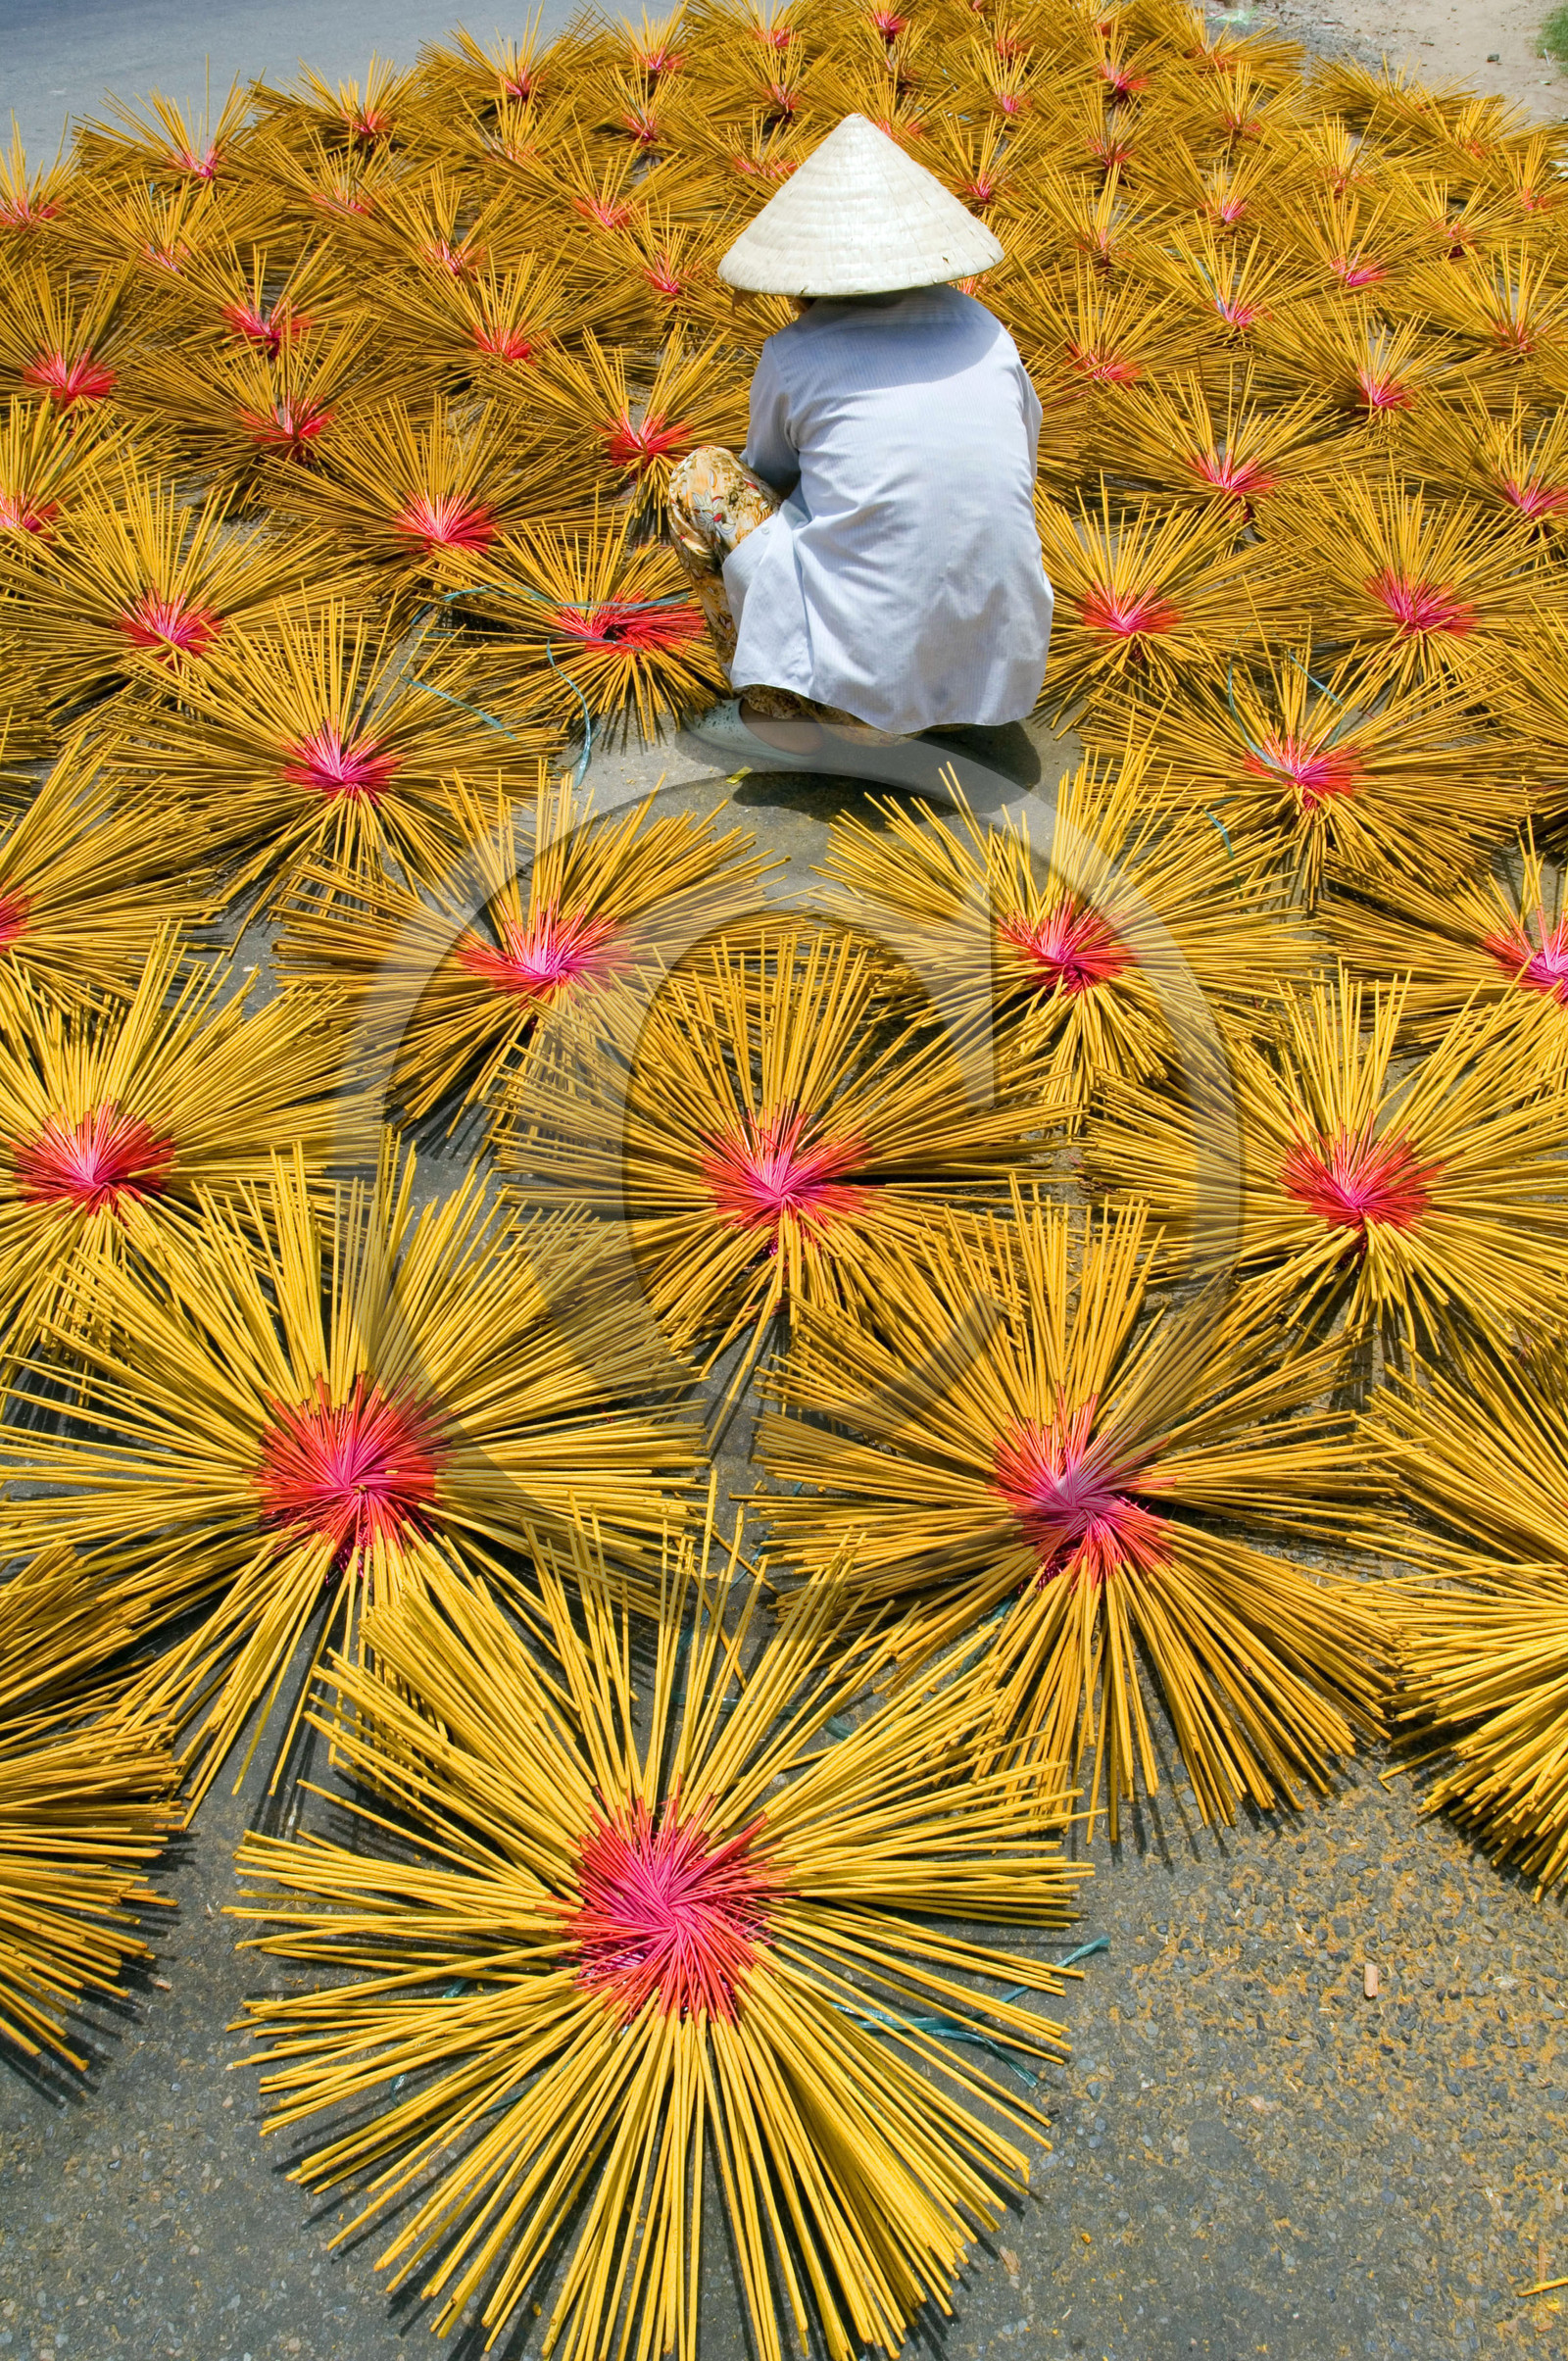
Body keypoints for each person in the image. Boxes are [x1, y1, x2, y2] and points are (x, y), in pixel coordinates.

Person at [668, 112, 1054, 766]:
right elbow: (1022, 459)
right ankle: (929, 685)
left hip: (862, 713)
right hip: (997, 686)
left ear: (802, 274)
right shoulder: (989, 332)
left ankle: (777, 708)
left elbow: (770, 478)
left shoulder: (794, 354)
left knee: (699, 480)